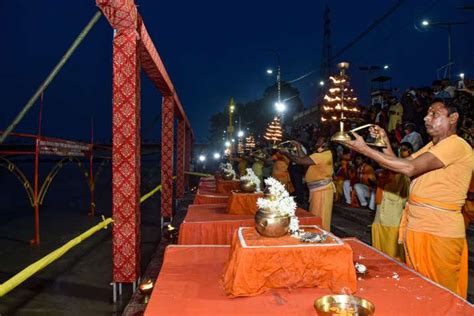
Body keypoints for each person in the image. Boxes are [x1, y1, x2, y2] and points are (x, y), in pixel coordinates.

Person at [344, 99, 473, 298]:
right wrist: (385, 142)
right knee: (419, 289)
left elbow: (409, 168)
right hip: (418, 225)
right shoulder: (432, 146)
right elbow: (402, 165)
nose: (426, 118)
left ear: (453, 118)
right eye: (427, 113)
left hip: (438, 230)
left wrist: (364, 149)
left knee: (439, 295)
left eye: (434, 114)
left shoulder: (456, 145)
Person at [279, 137, 334, 231]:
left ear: (325, 144)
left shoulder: (324, 155)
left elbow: (299, 161)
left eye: (318, 141)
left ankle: (323, 237)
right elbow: (304, 159)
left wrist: (285, 153)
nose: (316, 143)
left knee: (321, 217)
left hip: (322, 190)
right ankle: (317, 234)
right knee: (315, 214)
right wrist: (298, 147)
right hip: (317, 190)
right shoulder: (320, 154)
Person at [371, 142, 412, 261]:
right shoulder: (384, 173)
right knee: (379, 240)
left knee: (392, 243)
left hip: (393, 213)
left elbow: (406, 194)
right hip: (380, 211)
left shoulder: (403, 174)